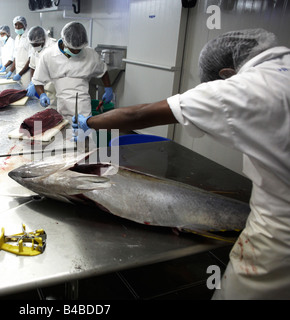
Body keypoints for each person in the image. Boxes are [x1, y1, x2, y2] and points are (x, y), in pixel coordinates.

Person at [73, 28, 290, 299]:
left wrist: (89, 121)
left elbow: (138, 114)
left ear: (226, 75)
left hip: (281, 223)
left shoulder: (241, 88)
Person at [32, 21, 113, 120]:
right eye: (72, 49)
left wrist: (108, 88)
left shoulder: (90, 54)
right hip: (60, 107)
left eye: (79, 49)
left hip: (84, 109)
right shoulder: (49, 55)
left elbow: (103, 71)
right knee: (63, 134)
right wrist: (42, 95)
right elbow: (37, 81)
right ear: (64, 41)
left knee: (85, 134)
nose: (76, 52)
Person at [26, 26, 56, 102]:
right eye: (33, 44)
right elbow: (32, 67)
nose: (35, 46)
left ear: (43, 39)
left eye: (37, 44)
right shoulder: (34, 47)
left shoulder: (53, 48)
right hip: (40, 88)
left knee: (53, 109)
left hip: (52, 88)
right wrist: (32, 82)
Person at [8, 16, 31, 87]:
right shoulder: (17, 38)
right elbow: (16, 56)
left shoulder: (29, 37)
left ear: (25, 25)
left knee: (27, 94)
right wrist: (11, 71)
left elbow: (31, 59)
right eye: (15, 24)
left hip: (26, 73)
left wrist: (20, 74)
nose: (17, 27)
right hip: (18, 71)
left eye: (20, 24)